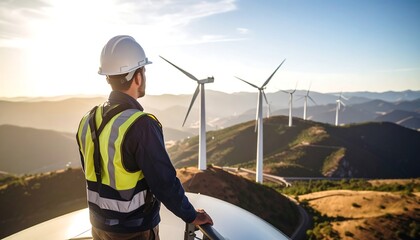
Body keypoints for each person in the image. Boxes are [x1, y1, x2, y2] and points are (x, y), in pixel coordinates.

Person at [76, 35, 213, 240]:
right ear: (137, 77)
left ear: (108, 77)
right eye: (144, 71)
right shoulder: (140, 125)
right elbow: (164, 183)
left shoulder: (87, 120)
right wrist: (191, 215)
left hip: (98, 228)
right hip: (134, 231)